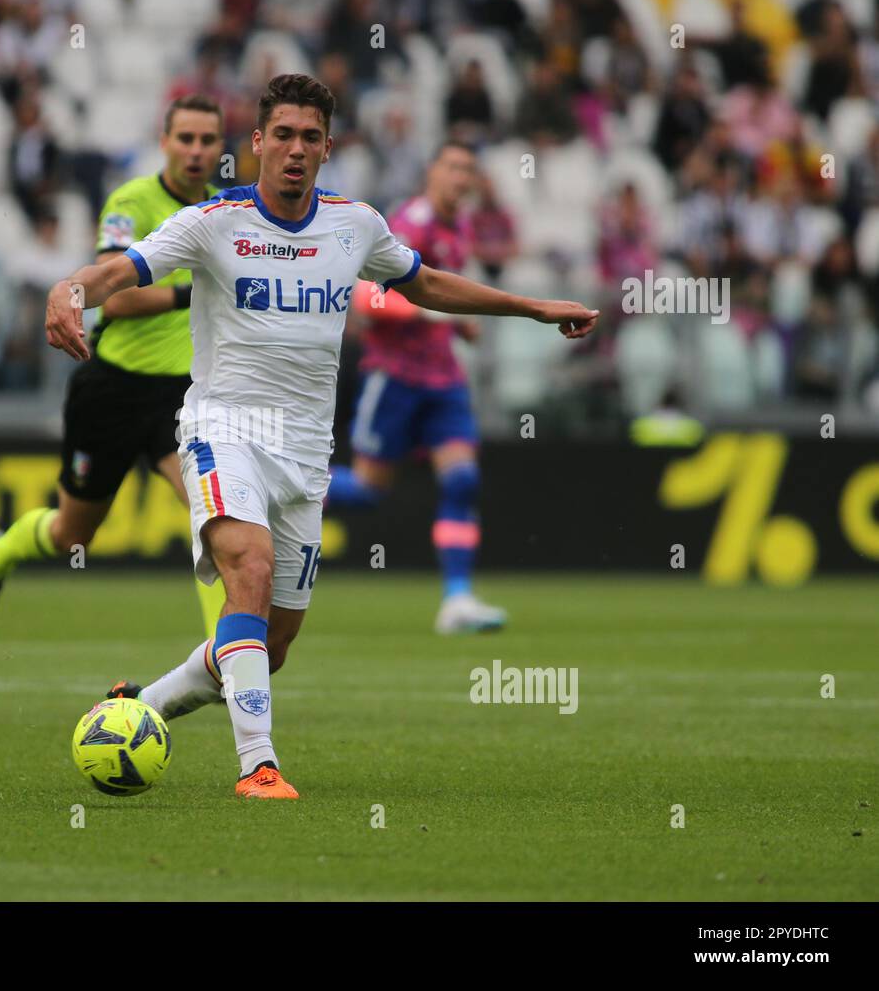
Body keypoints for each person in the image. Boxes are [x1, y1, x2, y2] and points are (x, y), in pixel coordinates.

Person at [42, 74, 598, 799]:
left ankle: (141, 705)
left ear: (328, 147)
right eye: (283, 135)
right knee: (247, 566)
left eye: (310, 137)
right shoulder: (215, 220)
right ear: (258, 144)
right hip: (222, 427)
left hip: (305, 451)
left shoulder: (354, 224)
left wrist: (531, 306)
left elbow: (424, 283)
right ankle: (258, 766)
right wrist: (72, 289)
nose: (296, 150)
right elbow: (123, 267)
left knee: (270, 646)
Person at [0, 95, 230, 641]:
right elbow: (119, 297)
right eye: (186, 139)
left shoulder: (227, 213)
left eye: (207, 140)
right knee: (71, 535)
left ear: (221, 147)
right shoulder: (131, 202)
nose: (196, 151)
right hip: (112, 390)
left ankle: (226, 660)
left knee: (213, 520)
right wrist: (192, 293)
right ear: (165, 143)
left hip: (184, 399)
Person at [325, 142, 507, 634]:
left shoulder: (461, 226)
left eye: (469, 168)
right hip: (397, 375)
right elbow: (368, 299)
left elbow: (442, 297)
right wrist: (434, 310)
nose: (461, 177)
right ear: (432, 172)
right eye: (451, 166)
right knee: (365, 490)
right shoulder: (411, 222)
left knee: (462, 481)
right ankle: (284, 489)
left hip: (444, 377)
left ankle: (458, 600)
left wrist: (460, 326)